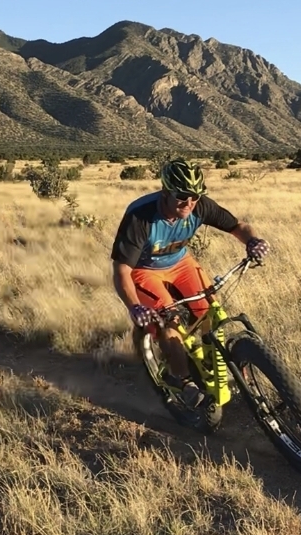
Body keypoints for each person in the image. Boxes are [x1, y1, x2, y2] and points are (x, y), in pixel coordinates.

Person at [111, 158, 269, 410]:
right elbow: (122, 269)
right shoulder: (141, 216)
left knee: (212, 312)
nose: (189, 203)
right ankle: (182, 380)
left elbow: (238, 226)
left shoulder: (200, 207)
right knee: (168, 321)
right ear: (165, 192)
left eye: (195, 196)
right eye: (182, 196)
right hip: (144, 270)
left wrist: (252, 241)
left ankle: (210, 363)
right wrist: (134, 306)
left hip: (181, 263)